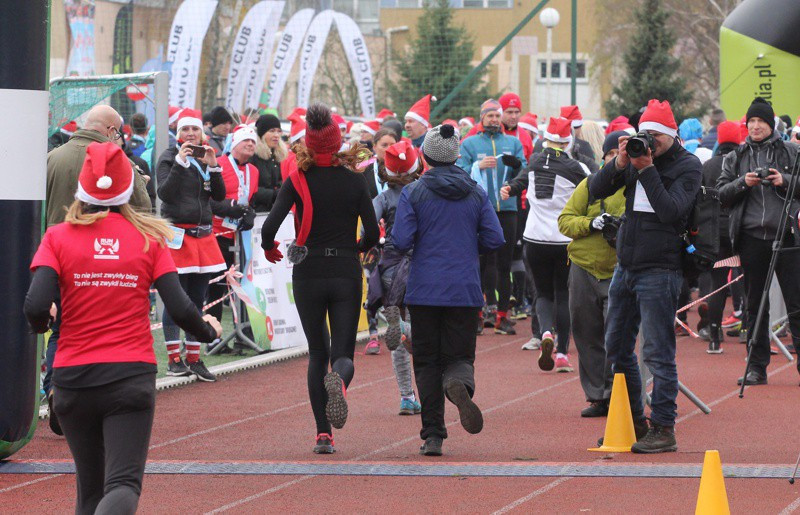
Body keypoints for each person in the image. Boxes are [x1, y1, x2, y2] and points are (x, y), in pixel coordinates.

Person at [25, 141, 222, 515]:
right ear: (130, 189)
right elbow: (180, 307)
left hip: (72, 379)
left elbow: (35, 305)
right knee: (122, 485)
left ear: (82, 188)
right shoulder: (149, 237)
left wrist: (44, 322)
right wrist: (209, 330)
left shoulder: (58, 237)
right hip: (129, 376)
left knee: (90, 490)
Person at [260, 103, 379, 454]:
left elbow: (269, 227)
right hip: (344, 269)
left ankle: (323, 434)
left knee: (317, 352)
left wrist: (269, 249)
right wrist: (358, 246)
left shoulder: (296, 178)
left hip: (308, 270)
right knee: (342, 352)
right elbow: (372, 232)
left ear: (308, 144)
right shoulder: (355, 179)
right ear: (338, 142)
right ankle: (339, 381)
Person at [588, 99, 702, 453]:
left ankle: (664, 427)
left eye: (656, 136)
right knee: (617, 347)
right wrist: (621, 162)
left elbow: (671, 211)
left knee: (657, 352)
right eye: (644, 134)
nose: (649, 141)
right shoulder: (633, 157)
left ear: (670, 136)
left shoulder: (688, 166)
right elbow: (595, 190)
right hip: (627, 264)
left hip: (662, 268)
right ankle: (635, 420)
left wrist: (647, 168)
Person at [393, 123, 505, 456]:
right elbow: (496, 238)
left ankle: (432, 435)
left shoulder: (413, 193)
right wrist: (468, 251)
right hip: (464, 289)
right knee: (459, 356)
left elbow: (400, 241)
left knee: (426, 362)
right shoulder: (475, 191)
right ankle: (459, 384)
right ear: (457, 155)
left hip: (424, 289)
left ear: (424, 156)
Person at [44, 105, 152, 435]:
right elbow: (144, 208)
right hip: (106, 260)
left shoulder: (53, 158)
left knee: (62, 330)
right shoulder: (116, 159)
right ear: (108, 131)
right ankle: (97, 400)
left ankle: (58, 391)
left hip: (56, 258)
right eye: (118, 132)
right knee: (105, 332)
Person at [717, 97, 800, 386]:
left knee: (797, 304)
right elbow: (721, 194)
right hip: (751, 238)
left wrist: (785, 180)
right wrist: (744, 183)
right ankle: (756, 367)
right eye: (750, 122)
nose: (754, 126)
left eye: (760, 122)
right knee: (755, 305)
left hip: (787, 236)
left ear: (770, 124)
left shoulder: (792, 152)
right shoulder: (736, 156)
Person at [502, 117, 590, 373]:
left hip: (535, 238)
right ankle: (562, 352)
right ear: (567, 141)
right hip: (564, 239)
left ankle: (546, 333)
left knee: (542, 293)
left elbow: (519, 183)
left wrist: (508, 188)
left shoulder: (534, 161)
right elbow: (594, 187)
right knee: (563, 294)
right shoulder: (576, 167)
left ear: (546, 139)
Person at [557, 131, 627, 416]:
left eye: (621, 156)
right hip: (583, 267)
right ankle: (597, 396)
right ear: (604, 158)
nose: (616, 161)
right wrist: (592, 224)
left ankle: (617, 394)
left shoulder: (638, 186)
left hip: (619, 270)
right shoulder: (589, 184)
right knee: (586, 333)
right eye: (611, 156)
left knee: (616, 336)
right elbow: (564, 221)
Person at [156, 109, 227, 382]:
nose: (190, 135)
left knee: (198, 299)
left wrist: (214, 166)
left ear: (202, 132)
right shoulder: (168, 156)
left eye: (194, 130)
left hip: (204, 237)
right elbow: (165, 194)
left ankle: (194, 358)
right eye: (185, 130)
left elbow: (219, 196)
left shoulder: (206, 156)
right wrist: (180, 163)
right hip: (177, 238)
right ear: (178, 133)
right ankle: (174, 359)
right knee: (177, 300)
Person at [458, 99, 526, 335]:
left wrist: (517, 167)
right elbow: (460, 172)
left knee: (504, 263)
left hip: (507, 209)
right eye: (490, 116)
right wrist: (477, 165)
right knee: (479, 262)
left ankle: (502, 316)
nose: (495, 120)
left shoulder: (513, 142)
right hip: (480, 209)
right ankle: (477, 314)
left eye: (497, 116)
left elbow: (524, 173)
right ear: (482, 118)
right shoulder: (469, 144)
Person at [372, 140, 423, 415]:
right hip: (419, 266)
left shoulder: (382, 198)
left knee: (399, 338)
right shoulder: (422, 193)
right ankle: (404, 329)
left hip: (390, 266)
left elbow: (368, 222)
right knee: (422, 329)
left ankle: (406, 396)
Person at [207, 125, 259, 349]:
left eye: (253, 142)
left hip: (242, 236)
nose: (250, 144)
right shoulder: (217, 163)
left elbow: (251, 198)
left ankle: (244, 334)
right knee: (217, 286)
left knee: (245, 283)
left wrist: (250, 213)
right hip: (217, 233)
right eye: (245, 141)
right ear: (234, 143)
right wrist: (228, 208)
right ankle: (212, 337)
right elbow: (207, 198)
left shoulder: (254, 171)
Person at [695, 121, 744, 354]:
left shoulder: (708, 166)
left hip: (715, 231)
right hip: (740, 229)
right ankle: (748, 331)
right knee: (745, 278)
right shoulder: (742, 163)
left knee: (717, 282)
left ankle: (714, 336)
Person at [250, 114, 287, 212]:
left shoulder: (277, 154)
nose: (276, 135)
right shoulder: (252, 155)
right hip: (256, 212)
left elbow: (279, 180)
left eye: (279, 131)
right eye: (272, 131)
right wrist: (274, 194)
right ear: (262, 134)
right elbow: (249, 188)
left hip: (272, 210)